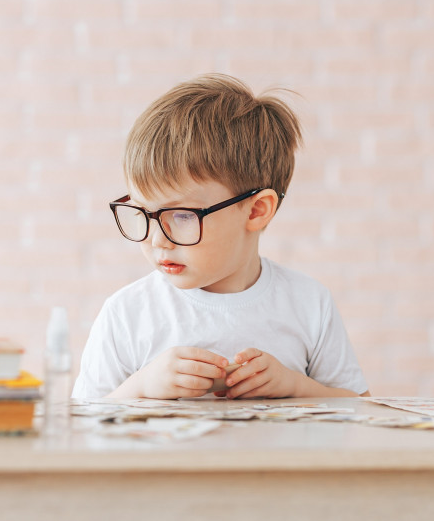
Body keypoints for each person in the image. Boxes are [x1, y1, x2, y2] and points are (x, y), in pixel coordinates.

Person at [72, 74, 369, 400]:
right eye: (143, 212)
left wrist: (297, 387)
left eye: (182, 216)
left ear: (256, 211)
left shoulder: (309, 304)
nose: (157, 240)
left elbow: (361, 410)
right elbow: (83, 422)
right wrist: (140, 387)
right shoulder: (127, 314)